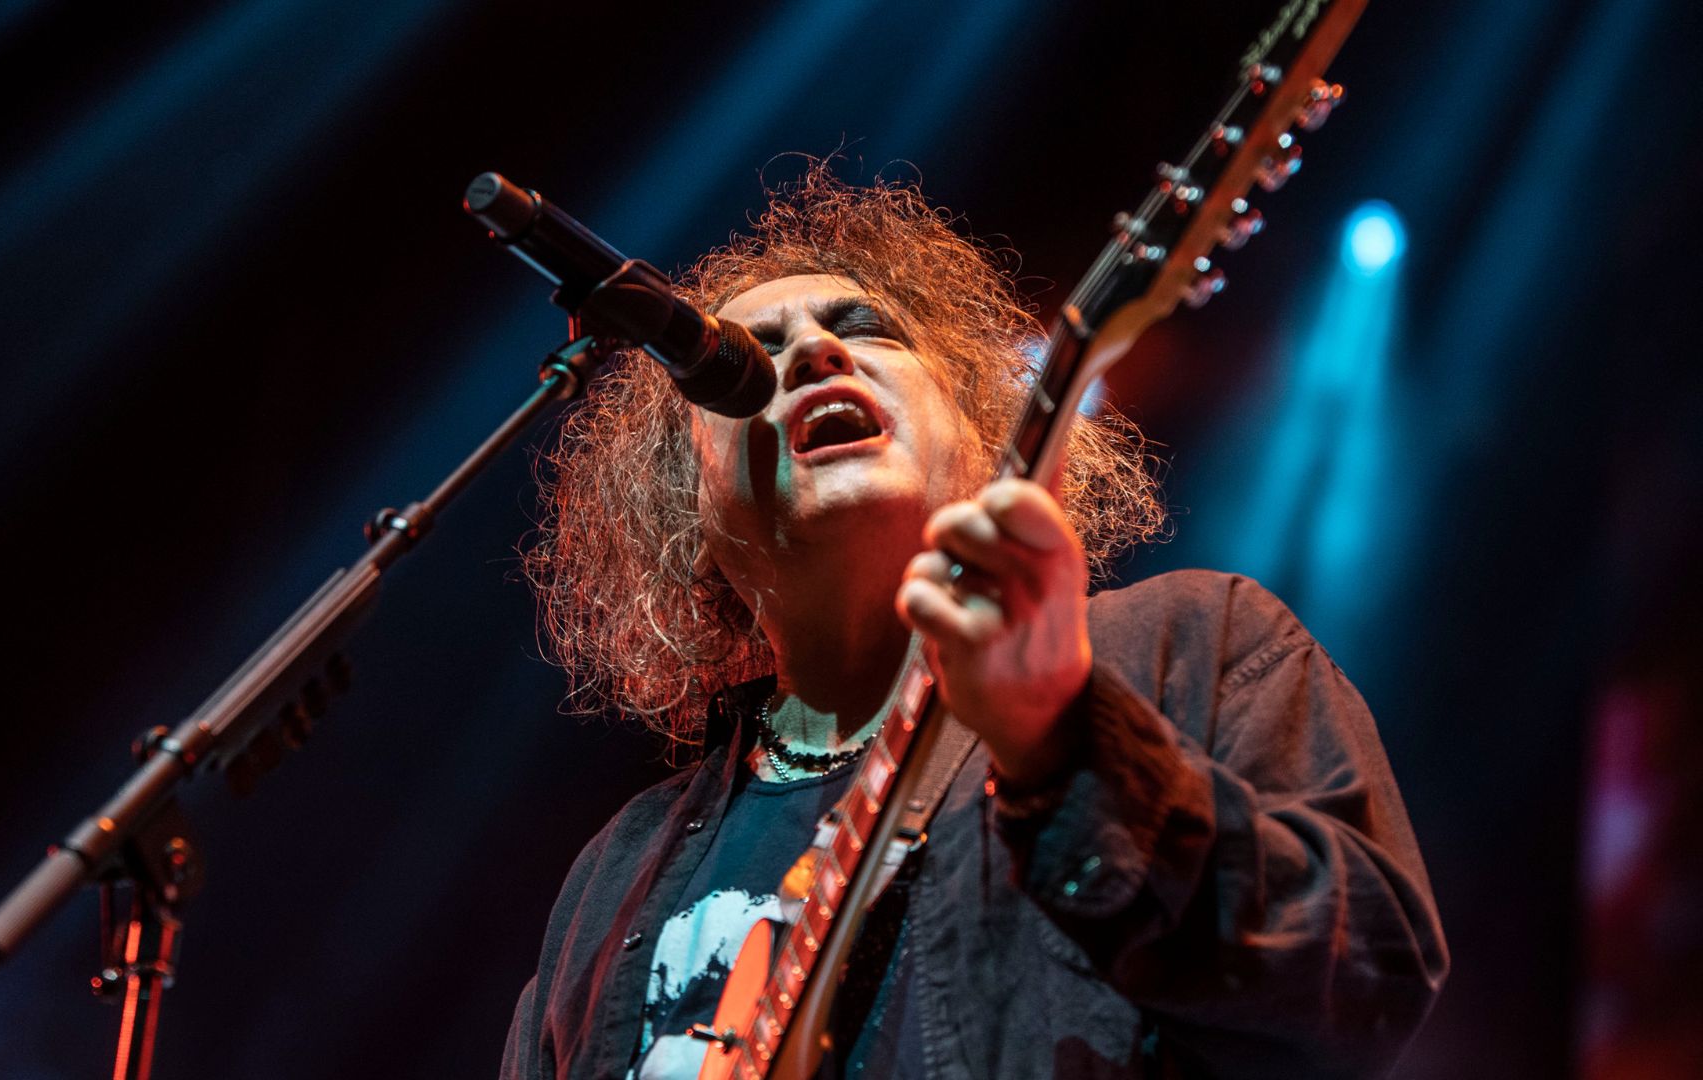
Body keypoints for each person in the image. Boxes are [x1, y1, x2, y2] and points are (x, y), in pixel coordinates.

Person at [503, 166, 1449, 1079]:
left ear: (978, 425)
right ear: (688, 507)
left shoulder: (1192, 648)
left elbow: (1365, 982)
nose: (814, 355)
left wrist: (1068, 745)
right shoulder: (611, 878)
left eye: (863, 328)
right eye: (747, 361)